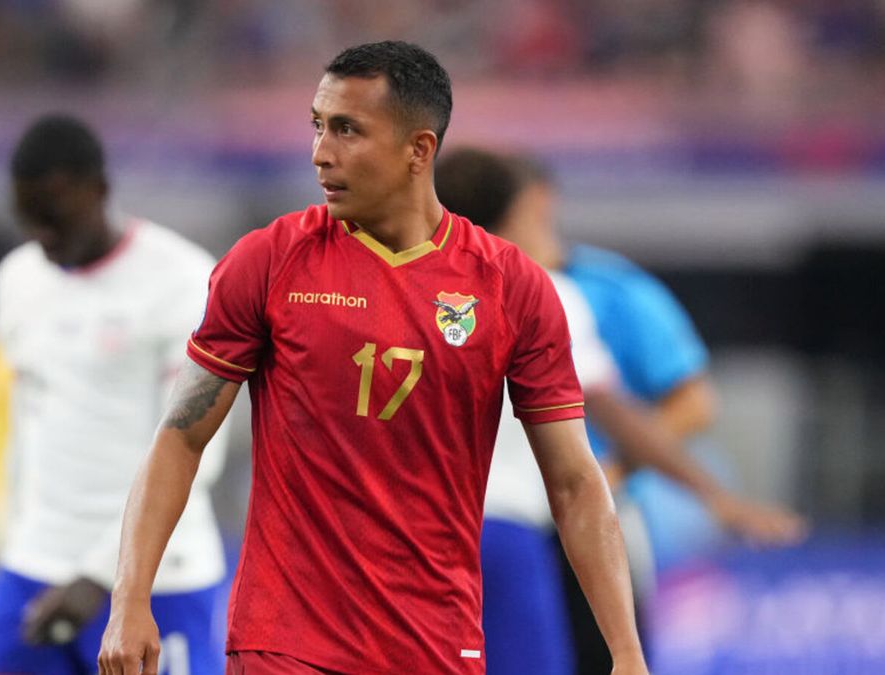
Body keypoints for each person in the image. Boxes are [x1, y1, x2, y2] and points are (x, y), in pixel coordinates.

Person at [98, 41, 648, 675]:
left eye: (347, 130)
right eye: (317, 126)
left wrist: (626, 652)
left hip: (435, 645)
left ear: (419, 149)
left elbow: (575, 483)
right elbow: (180, 437)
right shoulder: (269, 261)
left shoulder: (511, 288)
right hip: (284, 642)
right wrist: (130, 599)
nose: (320, 152)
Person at [435, 147, 807, 674]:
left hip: (441, 525)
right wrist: (710, 495)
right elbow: (618, 412)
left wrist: (617, 471)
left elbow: (690, 402)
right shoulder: (545, 293)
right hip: (529, 522)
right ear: (529, 206)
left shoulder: (609, 288)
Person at [0, 114, 228, 675]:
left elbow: (197, 451)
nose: (42, 236)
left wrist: (100, 574)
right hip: (36, 566)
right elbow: (30, 418)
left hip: (159, 578)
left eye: (54, 215)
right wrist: (17, 537)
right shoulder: (17, 280)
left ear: (100, 190)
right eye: (28, 219)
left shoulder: (182, 282)